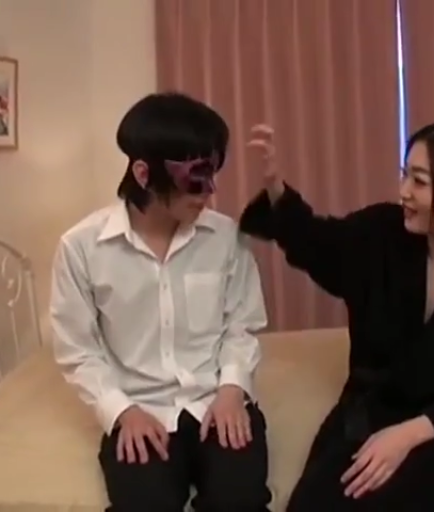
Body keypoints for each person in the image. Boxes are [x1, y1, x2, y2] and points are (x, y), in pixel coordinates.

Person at [240, 117, 434, 511]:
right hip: (371, 410)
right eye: (405, 175)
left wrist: (407, 435)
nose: (404, 192)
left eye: (420, 181)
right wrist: (277, 189)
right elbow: (321, 244)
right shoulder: (383, 232)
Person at [50, 92, 271, 512]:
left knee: (241, 503)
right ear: (144, 173)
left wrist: (231, 389)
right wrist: (121, 412)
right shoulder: (81, 248)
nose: (210, 191)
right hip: (140, 408)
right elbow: (78, 351)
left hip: (215, 399)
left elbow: (242, 325)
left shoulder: (225, 237)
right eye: (196, 177)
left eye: (214, 173)